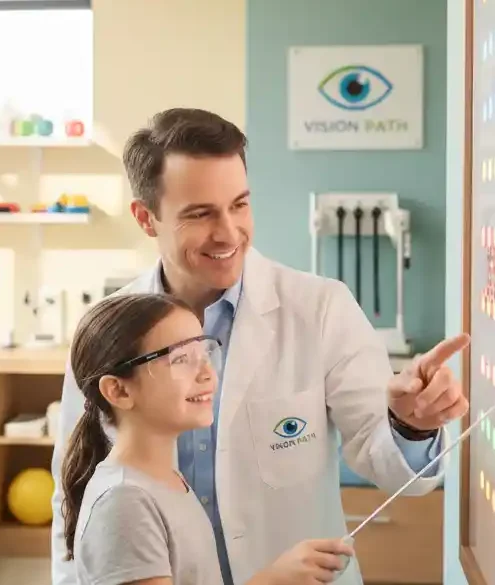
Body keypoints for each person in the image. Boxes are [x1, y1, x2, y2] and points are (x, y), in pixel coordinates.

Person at [51, 108, 470, 585]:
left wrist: (410, 427)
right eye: (200, 214)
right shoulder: (108, 331)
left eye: (239, 205)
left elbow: (392, 469)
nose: (229, 232)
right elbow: (76, 488)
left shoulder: (320, 309)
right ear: (147, 218)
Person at [62, 292, 355, 585]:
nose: (207, 373)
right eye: (180, 359)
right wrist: (272, 580)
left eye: (205, 354)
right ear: (119, 391)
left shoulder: (165, 481)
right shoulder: (124, 502)